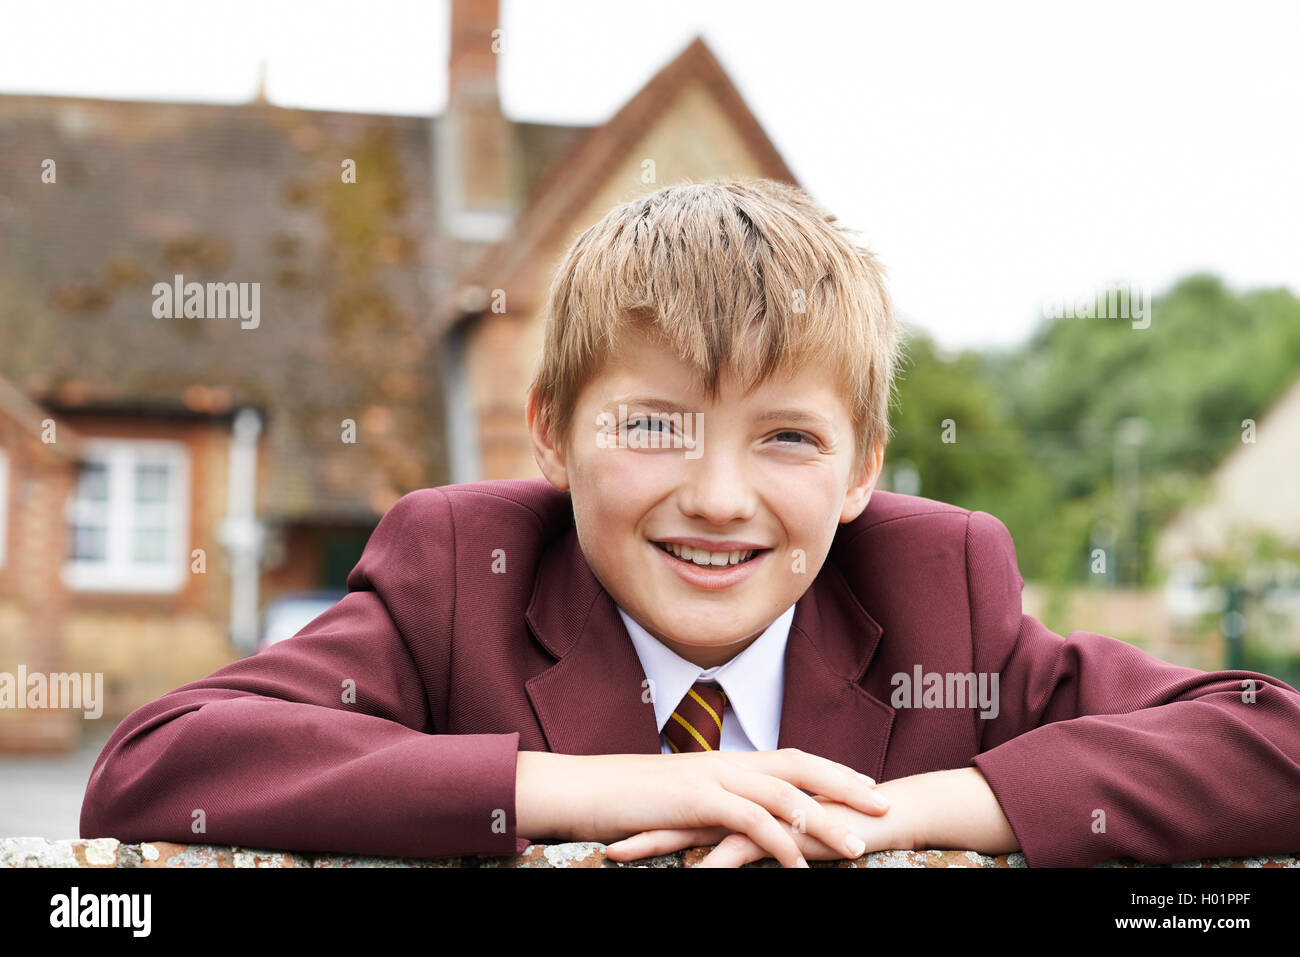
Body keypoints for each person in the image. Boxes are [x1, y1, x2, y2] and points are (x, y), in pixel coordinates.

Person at [80, 177, 1300, 867]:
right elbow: (158, 767)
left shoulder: (940, 587)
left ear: (863, 470)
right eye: (654, 425)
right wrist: (587, 790)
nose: (719, 497)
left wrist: (905, 813)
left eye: (788, 437)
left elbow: (1271, 744)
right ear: (551, 433)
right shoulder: (463, 570)